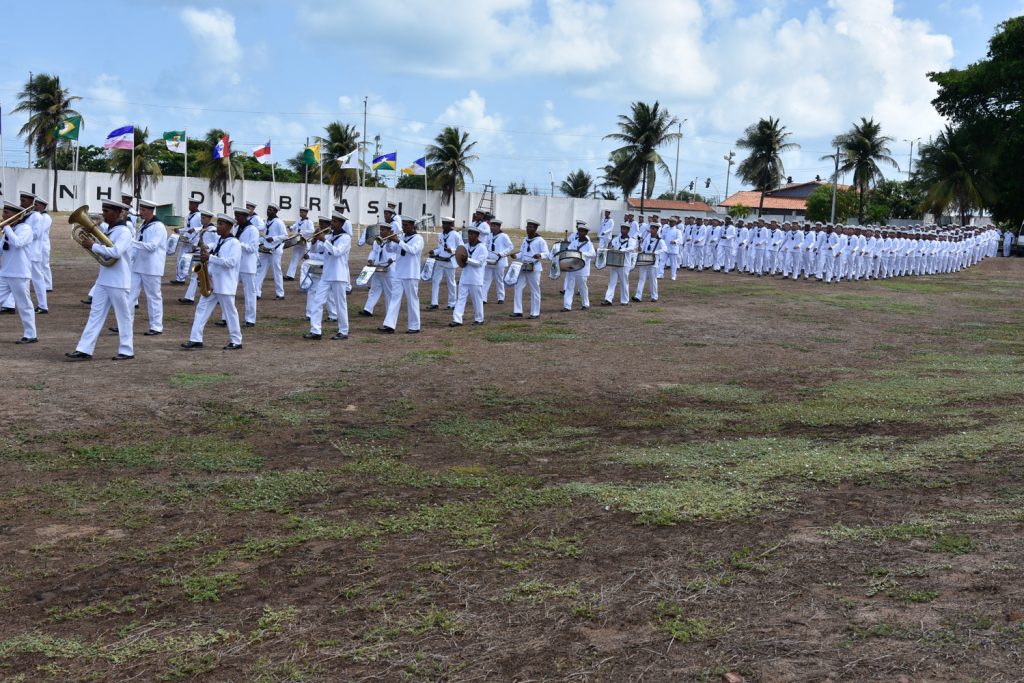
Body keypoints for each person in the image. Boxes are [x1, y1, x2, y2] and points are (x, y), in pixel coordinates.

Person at [66, 200, 135, 361]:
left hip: (118, 280)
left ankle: (127, 350)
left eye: (107, 211)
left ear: (118, 213)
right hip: (104, 279)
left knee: (123, 316)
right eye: (104, 210)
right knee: (95, 315)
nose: (103, 214)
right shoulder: (109, 229)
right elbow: (105, 253)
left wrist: (93, 246)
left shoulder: (124, 231)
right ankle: (84, 349)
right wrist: (92, 244)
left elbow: (116, 252)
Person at [181, 213, 243, 350]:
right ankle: (195, 339)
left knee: (229, 312)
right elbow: (211, 251)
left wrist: (210, 257)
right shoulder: (220, 241)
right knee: (201, 309)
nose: (218, 227)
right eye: (217, 224)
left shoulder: (234, 243)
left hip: (225, 284)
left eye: (221, 225)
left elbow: (230, 263)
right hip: (212, 282)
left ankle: (236, 340)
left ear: (228, 226)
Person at [304, 211, 351, 340]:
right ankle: (315, 331)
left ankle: (343, 331)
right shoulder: (329, 237)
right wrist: (314, 241)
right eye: (332, 221)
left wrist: (324, 239)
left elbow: (336, 252)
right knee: (318, 301)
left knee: (340, 304)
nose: (332, 224)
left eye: (335, 222)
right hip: (326, 274)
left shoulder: (345, 238)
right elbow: (316, 251)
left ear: (341, 224)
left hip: (339, 275)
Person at [128, 200, 168, 336]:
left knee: (153, 297)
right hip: (138, 265)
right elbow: (137, 246)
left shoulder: (159, 227)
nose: (141, 212)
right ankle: (125, 323)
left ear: (151, 211)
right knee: (129, 295)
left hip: (152, 267)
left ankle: (156, 326)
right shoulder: (143, 225)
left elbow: (152, 246)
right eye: (141, 209)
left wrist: (131, 242)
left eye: (143, 210)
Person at [0, 201, 38, 343]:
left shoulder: (25, 229)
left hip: (20, 273)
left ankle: (31, 335)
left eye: (7, 213)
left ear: (17, 215)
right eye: (4, 212)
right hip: (5, 272)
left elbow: (18, 243)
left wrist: (7, 228)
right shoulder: (8, 230)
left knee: (24, 305)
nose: (3, 215)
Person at [380, 216, 423, 334]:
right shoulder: (402, 237)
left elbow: (413, 250)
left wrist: (398, 241)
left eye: (406, 225)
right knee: (394, 299)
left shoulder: (418, 238)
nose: (403, 227)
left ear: (412, 226)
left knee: (412, 300)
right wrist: (389, 241)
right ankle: (389, 324)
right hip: (399, 273)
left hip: (411, 273)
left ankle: (414, 326)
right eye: (403, 225)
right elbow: (390, 250)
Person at [511, 218, 548, 319]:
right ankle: (518, 311)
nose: (528, 229)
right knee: (518, 287)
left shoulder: (540, 240)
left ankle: (535, 313)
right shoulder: (525, 239)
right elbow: (523, 253)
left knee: (534, 290)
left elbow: (547, 254)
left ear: (535, 229)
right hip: (524, 266)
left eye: (531, 227)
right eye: (527, 227)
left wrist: (539, 255)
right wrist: (516, 256)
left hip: (534, 268)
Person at [450, 224, 487, 326]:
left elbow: (479, 263)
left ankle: (479, 319)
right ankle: (457, 319)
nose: (469, 236)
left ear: (477, 235)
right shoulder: (465, 247)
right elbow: (458, 253)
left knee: (477, 299)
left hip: (476, 278)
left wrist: (467, 259)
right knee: (461, 298)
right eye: (468, 234)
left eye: (472, 234)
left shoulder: (482, 248)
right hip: (465, 277)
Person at [180, 210, 217, 303]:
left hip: (208, 256)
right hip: (200, 254)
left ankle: (216, 297)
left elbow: (217, 242)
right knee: (195, 275)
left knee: (211, 277)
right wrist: (195, 246)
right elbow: (200, 240)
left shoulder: (213, 230)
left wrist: (208, 246)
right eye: (201, 217)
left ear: (209, 219)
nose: (201, 220)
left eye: (204, 218)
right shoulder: (203, 228)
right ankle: (189, 297)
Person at [360, 222, 395, 317]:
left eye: (383, 230)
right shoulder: (377, 241)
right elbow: (374, 252)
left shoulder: (393, 241)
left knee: (389, 292)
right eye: (381, 229)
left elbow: (397, 252)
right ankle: (368, 309)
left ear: (389, 231)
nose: (381, 232)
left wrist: (392, 259)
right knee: (374, 289)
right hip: (378, 267)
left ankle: (390, 313)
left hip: (389, 269)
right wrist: (371, 259)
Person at [428, 216, 462, 310]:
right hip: (440, 260)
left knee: (451, 282)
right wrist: (434, 252)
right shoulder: (441, 235)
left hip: (450, 261)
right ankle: (434, 303)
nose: (443, 225)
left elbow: (462, 248)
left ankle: (452, 304)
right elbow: (440, 248)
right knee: (435, 280)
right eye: (443, 223)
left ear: (451, 225)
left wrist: (452, 250)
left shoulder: (456, 235)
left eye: (446, 224)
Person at [234, 206, 260, 327]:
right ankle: (225, 317)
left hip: (248, 265)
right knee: (230, 291)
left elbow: (252, 248)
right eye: (236, 216)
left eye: (238, 216)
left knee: (249, 293)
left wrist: (238, 243)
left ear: (245, 216)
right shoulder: (237, 227)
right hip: (236, 264)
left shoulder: (252, 230)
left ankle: (250, 319)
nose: (236, 218)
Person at [562, 220, 596, 311]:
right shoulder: (574, 242)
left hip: (582, 268)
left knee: (582, 287)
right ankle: (567, 306)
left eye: (582, 231)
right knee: (569, 286)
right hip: (572, 267)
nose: (580, 233)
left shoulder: (589, 244)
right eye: (579, 231)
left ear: (586, 233)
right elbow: (569, 251)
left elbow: (593, 254)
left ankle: (585, 304)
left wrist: (582, 253)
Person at [257, 202, 287, 300]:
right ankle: (257, 292)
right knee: (260, 270)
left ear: (275, 211)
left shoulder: (279, 222)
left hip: (276, 250)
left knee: (276, 272)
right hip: (266, 249)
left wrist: (273, 238)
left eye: (271, 209)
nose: (268, 211)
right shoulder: (266, 221)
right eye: (268, 209)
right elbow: (265, 232)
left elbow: (285, 236)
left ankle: (280, 294)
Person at [603, 222, 637, 305]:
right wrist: (610, 246)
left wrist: (622, 250)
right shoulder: (616, 239)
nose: (623, 230)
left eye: (625, 229)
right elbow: (611, 247)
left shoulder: (632, 240)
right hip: (615, 262)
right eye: (622, 228)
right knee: (612, 282)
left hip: (624, 264)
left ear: (628, 230)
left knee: (624, 282)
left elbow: (631, 248)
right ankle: (608, 299)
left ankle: (624, 300)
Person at [482, 217, 513, 304]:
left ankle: (501, 298)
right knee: (486, 280)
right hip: (489, 260)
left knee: (499, 280)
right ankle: (483, 298)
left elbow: (510, 246)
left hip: (500, 261)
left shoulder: (504, 236)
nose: (491, 227)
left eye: (494, 226)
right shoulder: (489, 235)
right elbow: (486, 244)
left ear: (498, 227)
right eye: (491, 226)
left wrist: (502, 253)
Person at [170, 198, 202, 284]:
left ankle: (198, 279)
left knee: (195, 262)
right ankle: (180, 279)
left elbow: (203, 227)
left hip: (195, 241)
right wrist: (179, 230)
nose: (190, 206)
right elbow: (187, 228)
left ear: (196, 205)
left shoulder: (199, 215)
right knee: (182, 259)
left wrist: (194, 229)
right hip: (187, 240)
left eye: (192, 204)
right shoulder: (189, 215)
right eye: (189, 204)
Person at [634, 221, 666, 302]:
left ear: (657, 230)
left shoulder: (660, 240)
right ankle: (638, 296)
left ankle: (654, 296)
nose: (651, 230)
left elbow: (665, 249)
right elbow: (642, 247)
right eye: (651, 228)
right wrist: (640, 248)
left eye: (653, 228)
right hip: (644, 260)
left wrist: (656, 252)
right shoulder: (647, 238)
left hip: (653, 261)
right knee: (641, 278)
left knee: (653, 279)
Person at [31, 196, 52, 308]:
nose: (35, 206)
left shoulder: (46, 217)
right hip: (39, 245)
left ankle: (48, 285)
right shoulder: (37, 216)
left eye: (37, 205)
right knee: (41, 267)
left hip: (43, 245)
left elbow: (40, 230)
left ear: (43, 206)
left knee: (44, 265)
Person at [285, 206, 314, 281]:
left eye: (302, 212)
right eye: (300, 212)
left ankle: (312, 274)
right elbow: (295, 226)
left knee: (308, 258)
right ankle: (290, 275)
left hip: (305, 243)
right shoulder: (298, 220)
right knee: (294, 258)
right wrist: (291, 227)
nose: (301, 213)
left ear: (306, 213)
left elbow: (312, 231)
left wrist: (302, 232)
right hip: (297, 242)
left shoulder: (309, 222)